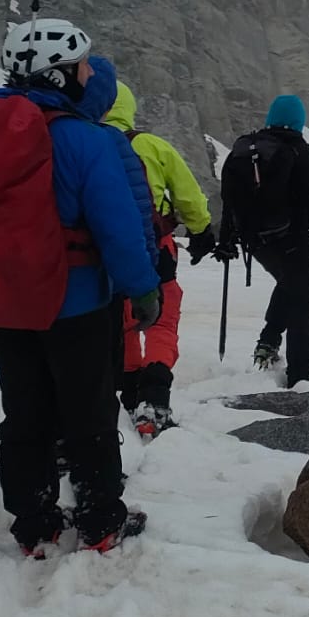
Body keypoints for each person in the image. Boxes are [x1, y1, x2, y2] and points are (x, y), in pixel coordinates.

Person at [0, 19, 161, 555]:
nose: (87, 73)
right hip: (74, 303)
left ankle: (35, 524)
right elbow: (118, 229)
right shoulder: (86, 138)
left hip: (4, 302)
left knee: (25, 411)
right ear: (60, 75)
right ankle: (100, 521)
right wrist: (143, 289)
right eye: (80, 65)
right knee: (88, 412)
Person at [103, 81, 215, 437]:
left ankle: (130, 391)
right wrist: (201, 232)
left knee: (123, 320)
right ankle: (154, 398)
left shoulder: (84, 143)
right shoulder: (151, 146)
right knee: (161, 320)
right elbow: (189, 196)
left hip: (102, 253)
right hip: (156, 248)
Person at [214, 95, 309, 388]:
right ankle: (299, 372)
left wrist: (226, 240)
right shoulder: (298, 150)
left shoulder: (243, 149)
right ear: (299, 121)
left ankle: (268, 342)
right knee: (302, 295)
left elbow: (229, 201)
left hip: (256, 242)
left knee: (288, 283)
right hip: (291, 237)